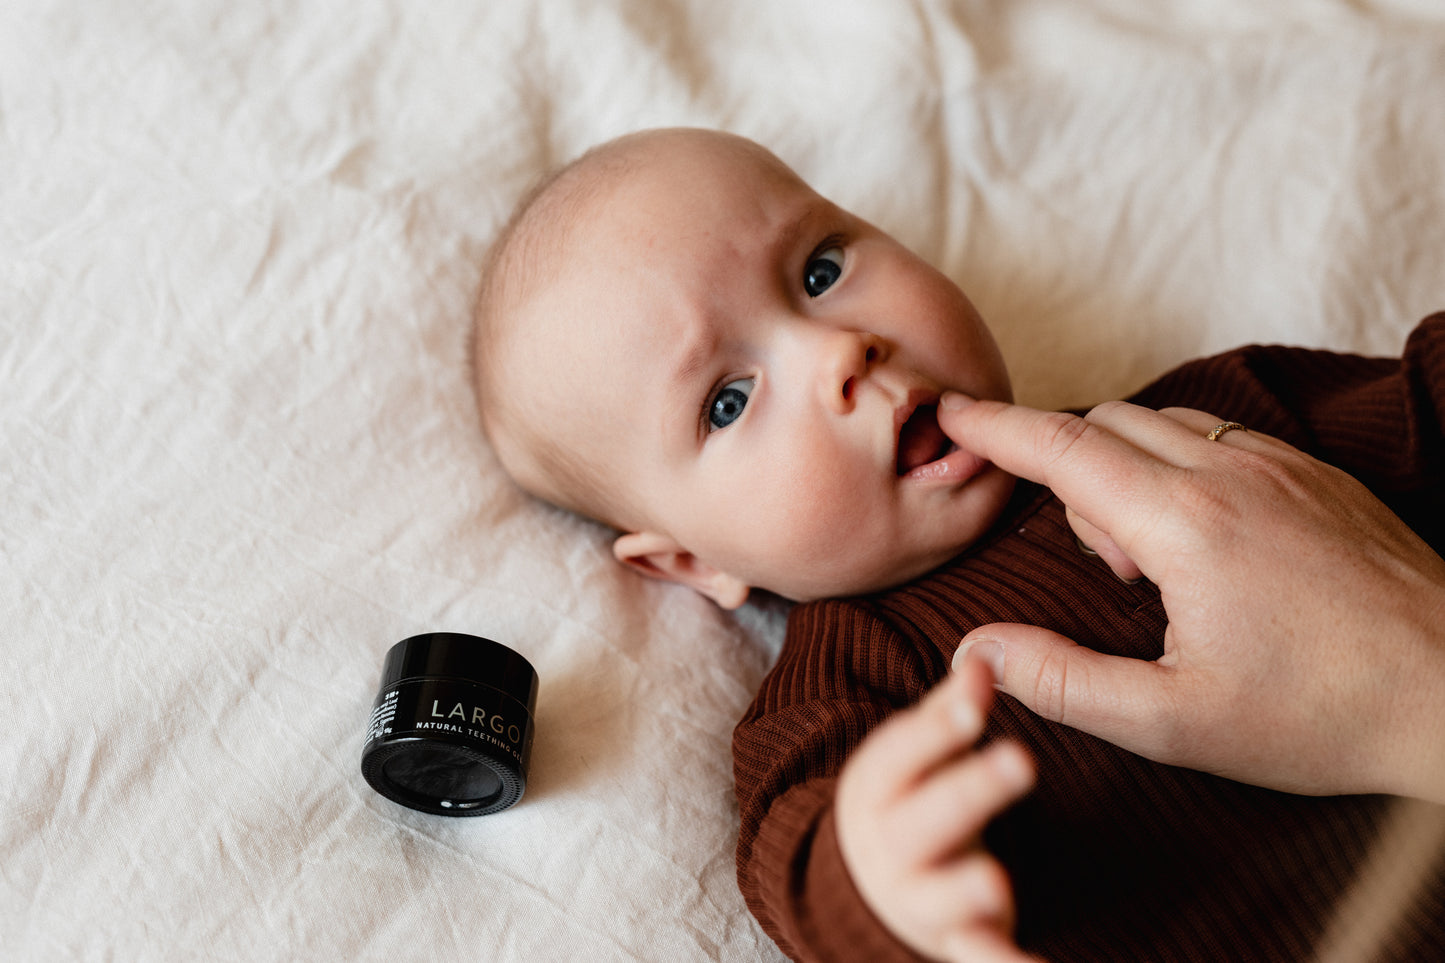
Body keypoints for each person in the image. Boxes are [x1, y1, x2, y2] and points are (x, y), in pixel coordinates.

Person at [472, 126, 1445, 962]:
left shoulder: (1209, 430)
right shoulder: (855, 684)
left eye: (820, 271)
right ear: (694, 562)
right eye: (726, 402)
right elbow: (806, 862)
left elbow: (1420, 402)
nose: (838, 351)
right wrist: (881, 877)